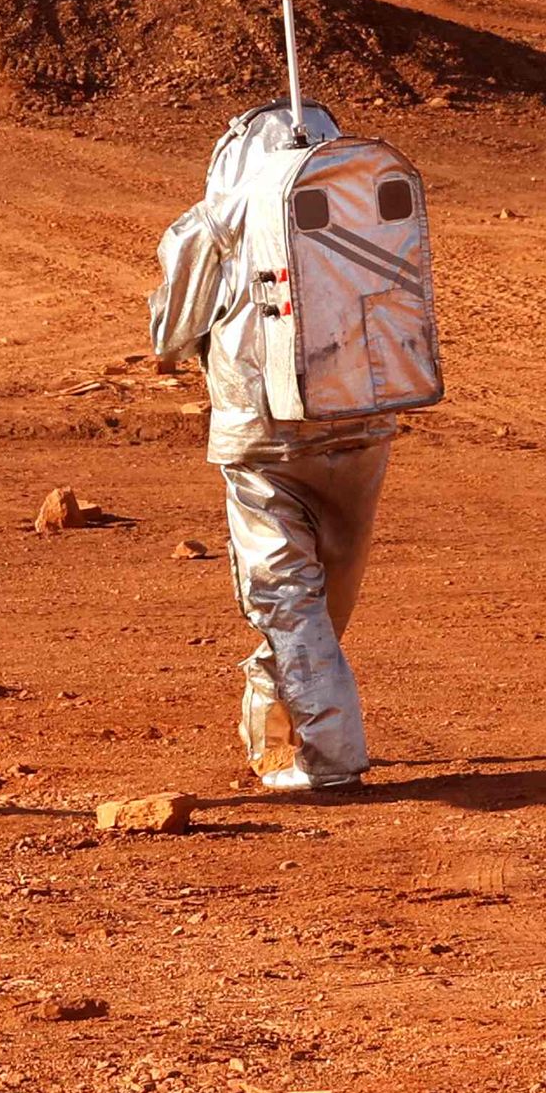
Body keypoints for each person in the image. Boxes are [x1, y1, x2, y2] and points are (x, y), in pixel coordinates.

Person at [150, 43, 436, 793]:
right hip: (365, 420)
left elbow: (169, 333)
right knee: (328, 589)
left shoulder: (216, 218)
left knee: (284, 593)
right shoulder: (358, 190)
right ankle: (274, 734)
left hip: (263, 431)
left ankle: (330, 757)